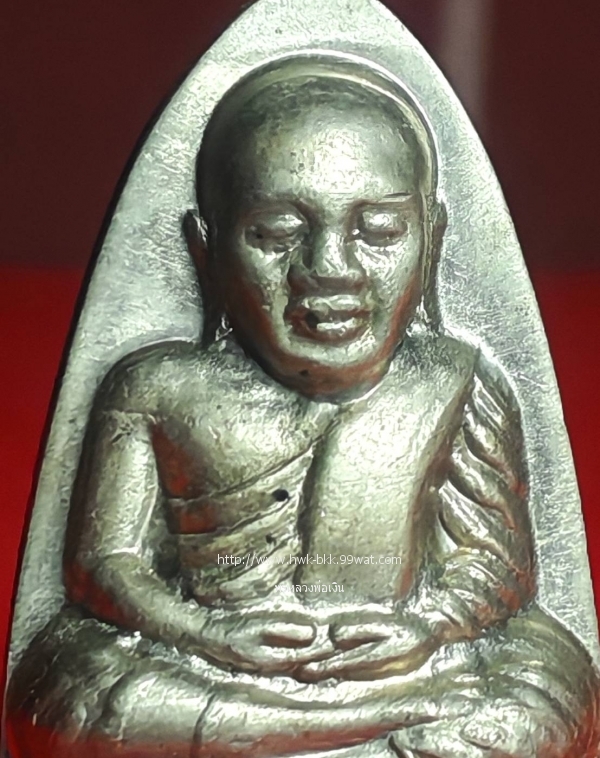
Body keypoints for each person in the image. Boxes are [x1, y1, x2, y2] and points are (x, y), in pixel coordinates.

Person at [6, 59, 599, 758]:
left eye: (380, 229)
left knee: (547, 692)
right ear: (205, 249)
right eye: (276, 232)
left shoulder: (455, 381)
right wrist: (203, 632)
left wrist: (430, 626)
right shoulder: (153, 388)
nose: (328, 268)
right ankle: (359, 726)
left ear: (433, 240)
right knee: (72, 698)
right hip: (202, 663)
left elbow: (496, 568)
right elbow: (103, 566)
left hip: (407, 663)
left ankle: (287, 731)